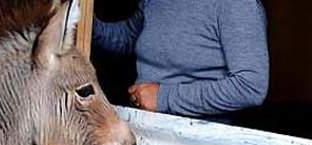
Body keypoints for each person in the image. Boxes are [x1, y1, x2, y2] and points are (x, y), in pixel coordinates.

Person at [92, 0, 269, 119]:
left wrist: (164, 98)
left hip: (197, 142)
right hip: (143, 128)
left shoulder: (238, 5)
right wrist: (87, 24)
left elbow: (250, 86)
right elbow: (130, 37)